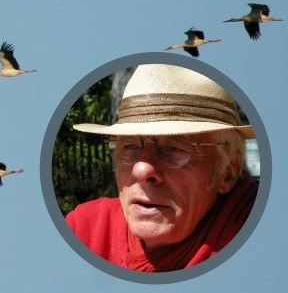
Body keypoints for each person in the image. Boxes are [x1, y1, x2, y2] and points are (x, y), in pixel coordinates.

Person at [64, 63, 258, 272]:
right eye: (129, 146)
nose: (142, 170)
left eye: (175, 148)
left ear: (227, 171)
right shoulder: (85, 230)